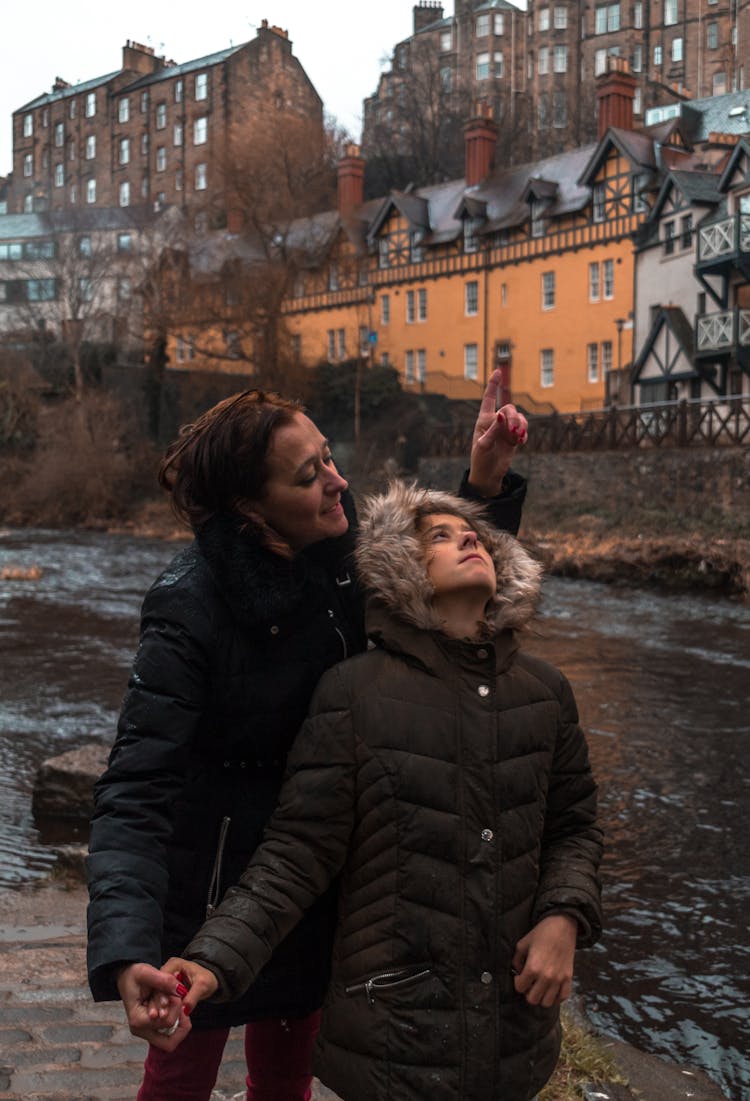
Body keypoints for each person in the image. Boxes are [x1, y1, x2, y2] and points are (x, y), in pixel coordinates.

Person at [86, 374, 529, 1101]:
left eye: (328, 457)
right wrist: (128, 946)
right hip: (212, 890)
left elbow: (450, 589)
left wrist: (483, 480)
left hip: (321, 877)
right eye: (309, 474)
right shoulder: (188, 606)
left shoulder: (344, 557)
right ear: (251, 512)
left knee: (290, 1072)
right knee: (180, 1071)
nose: (338, 481)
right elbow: (135, 787)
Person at [154, 481, 604, 1101]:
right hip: (395, 1033)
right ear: (401, 570)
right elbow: (297, 854)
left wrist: (564, 916)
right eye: (438, 536)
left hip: (514, 1028)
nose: (468, 536)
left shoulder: (546, 691)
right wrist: (211, 959)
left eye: (470, 532)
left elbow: (574, 827)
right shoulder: (353, 692)